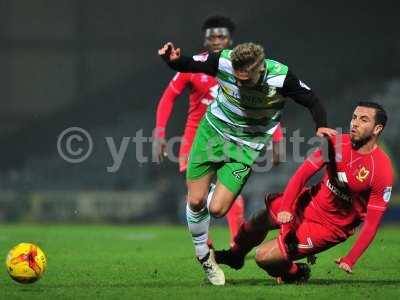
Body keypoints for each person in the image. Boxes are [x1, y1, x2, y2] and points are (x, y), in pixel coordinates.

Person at [158, 41, 336, 285]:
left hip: (247, 146)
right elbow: (189, 64)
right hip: (212, 134)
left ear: (260, 69)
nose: (240, 84)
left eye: (246, 80)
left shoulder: (280, 77)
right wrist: (173, 60)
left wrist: (321, 125)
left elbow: (312, 100)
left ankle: (211, 201)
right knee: (196, 200)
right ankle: (203, 256)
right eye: (237, 79)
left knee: (218, 209)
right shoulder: (222, 60)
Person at [215, 102, 394, 284]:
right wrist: (286, 208)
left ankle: (295, 273)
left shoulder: (382, 170)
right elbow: (301, 175)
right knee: (257, 219)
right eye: (354, 117)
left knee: (265, 257)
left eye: (363, 120)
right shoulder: (335, 143)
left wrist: (351, 259)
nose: (355, 123)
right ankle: (235, 256)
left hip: (330, 226)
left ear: (377, 128)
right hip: (308, 202)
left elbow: (371, 224)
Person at [153, 15, 283, 246]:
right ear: (205, 39)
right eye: (211, 36)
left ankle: (236, 245)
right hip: (196, 139)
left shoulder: (245, 70)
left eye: (220, 36)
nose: (216, 40)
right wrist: (159, 132)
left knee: (229, 191)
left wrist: (277, 139)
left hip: (232, 139)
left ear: (230, 39)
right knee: (196, 195)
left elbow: (263, 105)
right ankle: (206, 244)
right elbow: (168, 98)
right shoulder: (193, 64)